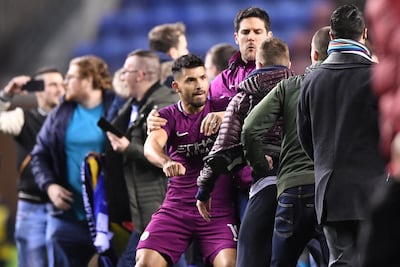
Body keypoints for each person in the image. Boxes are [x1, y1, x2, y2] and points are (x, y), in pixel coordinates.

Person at [147, 6, 273, 218]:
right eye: (245, 32)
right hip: (225, 183)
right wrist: (159, 117)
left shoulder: (278, 75)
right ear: (236, 37)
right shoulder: (221, 81)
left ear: (269, 36)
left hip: (266, 177)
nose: (251, 37)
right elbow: (194, 110)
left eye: (257, 32)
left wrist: (226, 116)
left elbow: (273, 118)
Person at [297, 5, 387, 266]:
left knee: (341, 261)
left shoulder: (312, 80)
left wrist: (326, 162)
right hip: (374, 189)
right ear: (365, 34)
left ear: (332, 37)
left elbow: (307, 138)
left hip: (331, 192)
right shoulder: (376, 76)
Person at [196, 37, 294, 267]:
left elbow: (224, 144)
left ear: (258, 65)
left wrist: (204, 188)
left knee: (249, 255)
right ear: (289, 65)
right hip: (303, 186)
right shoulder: (302, 90)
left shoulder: (243, 97)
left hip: (264, 184)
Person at [242, 26, 331, 267]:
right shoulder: (345, 87)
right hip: (328, 191)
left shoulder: (290, 86)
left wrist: (260, 165)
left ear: (313, 55)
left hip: (292, 188)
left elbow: (250, 129)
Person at [136, 54, 236, 267]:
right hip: (176, 208)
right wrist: (165, 162)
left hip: (216, 211)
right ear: (176, 86)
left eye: (202, 78)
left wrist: (225, 115)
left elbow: (251, 113)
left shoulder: (222, 107)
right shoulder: (168, 116)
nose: (199, 85)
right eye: (191, 80)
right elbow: (151, 146)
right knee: (145, 262)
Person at [31, 55, 115, 267]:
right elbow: (39, 155)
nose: (64, 84)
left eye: (70, 77)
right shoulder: (61, 112)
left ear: (87, 79)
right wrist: (50, 187)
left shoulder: (116, 108)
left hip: (109, 217)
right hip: (66, 217)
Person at [104, 50, 181, 267]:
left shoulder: (164, 104)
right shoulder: (133, 104)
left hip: (160, 207)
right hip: (144, 210)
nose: (122, 76)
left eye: (126, 71)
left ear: (140, 75)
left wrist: (128, 149)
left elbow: (167, 158)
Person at [0, 67, 64, 267]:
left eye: (62, 84)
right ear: (37, 90)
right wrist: (6, 95)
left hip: (67, 208)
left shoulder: (75, 118)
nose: (59, 90)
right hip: (33, 207)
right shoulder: (23, 118)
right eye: (52, 84)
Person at [148, 22, 189, 87]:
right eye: (184, 48)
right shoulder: (178, 80)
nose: (187, 52)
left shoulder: (143, 73)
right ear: (173, 53)